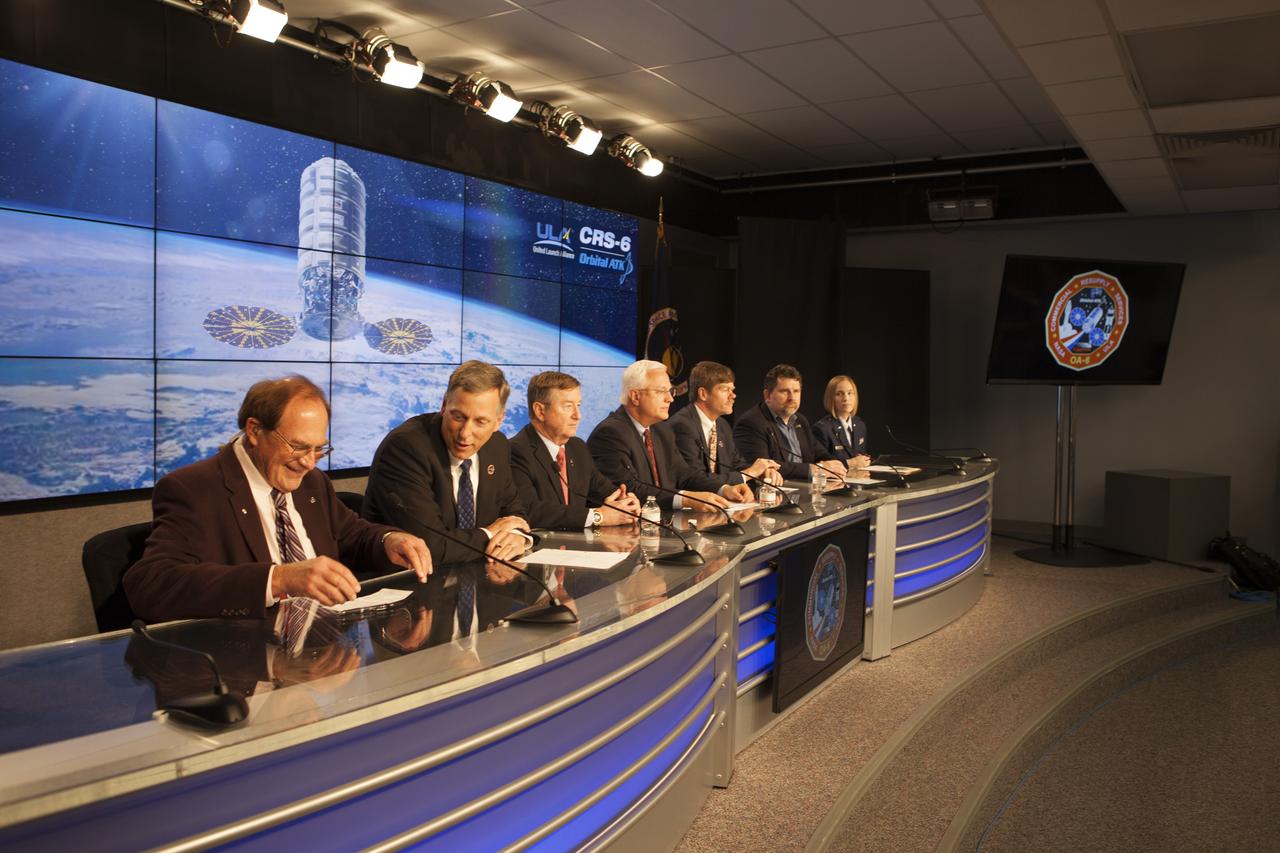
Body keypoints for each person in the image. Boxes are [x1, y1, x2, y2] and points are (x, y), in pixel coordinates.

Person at [124, 376, 432, 622]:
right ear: (255, 430)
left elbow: (352, 535)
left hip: (321, 655)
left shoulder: (311, 483)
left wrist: (389, 539)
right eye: (298, 447)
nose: (310, 462)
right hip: (245, 671)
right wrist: (278, 579)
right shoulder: (193, 489)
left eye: (319, 449)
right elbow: (150, 585)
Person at [363, 360, 530, 565]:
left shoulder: (497, 446)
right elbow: (429, 546)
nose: (465, 433)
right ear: (444, 406)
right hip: (406, 584)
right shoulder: (406, 448)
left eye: (481, 422)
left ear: (499, 421)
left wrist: (518, 536)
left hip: (477, 578)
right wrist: (490, 534)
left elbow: (514, 513)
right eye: (458, 417)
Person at [587, 360, 754, 509]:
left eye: (670, 391)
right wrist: (686, 499)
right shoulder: (610, 434)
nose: (670, 399)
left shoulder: (661, 429)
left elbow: (685, 475)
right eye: (661, 391)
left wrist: (724, 489)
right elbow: (629, 489)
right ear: (635, 396)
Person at [510, 371, 642, 530]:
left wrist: (625, 501)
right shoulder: (516, 451)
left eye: (578, 405)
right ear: (540, 411)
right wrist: (599, 516)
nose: (577, 415)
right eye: (568, 406)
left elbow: (603, 489)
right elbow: (531, 510)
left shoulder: (577, 448)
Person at [660, 360, 782, 487]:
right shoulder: (682, 425)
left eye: (732, 389)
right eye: (725, 389)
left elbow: (736, 465)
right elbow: (694, 478)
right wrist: (750, 472)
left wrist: (762, 473)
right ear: (703, 394)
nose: (733, 395)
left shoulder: (722, 425)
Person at [733, 364, 845, 481]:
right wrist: (816, 469)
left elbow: (821, 454)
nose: (792, 398)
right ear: (767, 395)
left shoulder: (800, 420)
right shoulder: (751, 423)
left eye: (796, 391)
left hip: (806, 489)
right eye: (784, 392)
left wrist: (836, 465)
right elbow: (762, 468)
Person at [812, 375, 872, 469]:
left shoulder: (860, 425)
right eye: (839, 394)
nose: (846, 398)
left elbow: (861, 458)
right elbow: (821, 466)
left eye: (850, 393)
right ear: (830, 398)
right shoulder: (822, 429)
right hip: (834, 482)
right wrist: (850, 463)